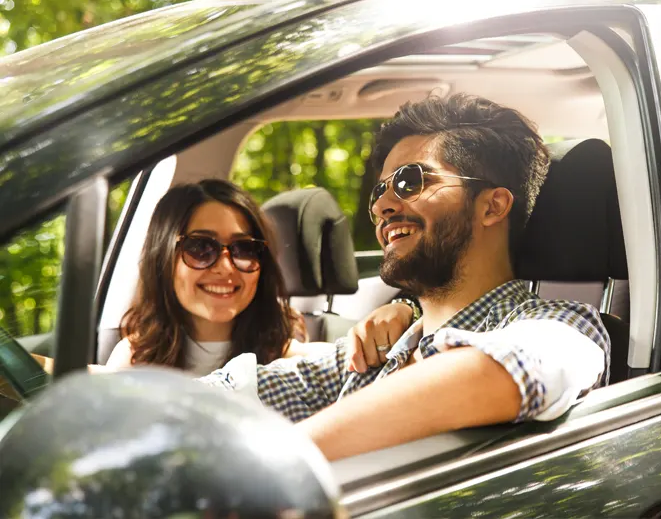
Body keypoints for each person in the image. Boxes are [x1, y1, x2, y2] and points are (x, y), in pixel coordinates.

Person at [200, 94, 610, 461]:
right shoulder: (375, 351)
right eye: (380, 192)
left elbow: (507, 368)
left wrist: (272, 465)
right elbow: (229, 394)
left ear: (492, 206)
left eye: (410, 182)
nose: (383, 207)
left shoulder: (565, 325)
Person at [106, 179, 414, 376]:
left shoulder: (287, 355)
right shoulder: (133, 360)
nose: (226, 266)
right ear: (163, 257)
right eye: (201, 247)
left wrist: (404, 310)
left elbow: (353, 357)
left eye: (244, 249)